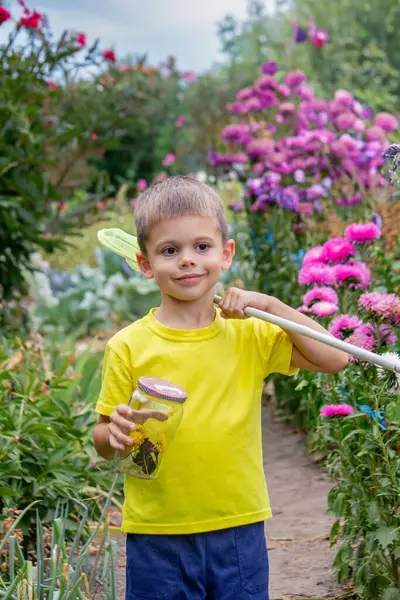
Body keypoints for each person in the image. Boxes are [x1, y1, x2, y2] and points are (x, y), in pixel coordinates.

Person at [93, 175, 348, 600]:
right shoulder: (128, 346)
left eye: (202, 247)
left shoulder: (249, 334)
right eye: (170, 251)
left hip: (238, 528)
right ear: (145, 263)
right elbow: (103, 440)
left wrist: (268, 306)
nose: (187, 260)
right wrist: (114, 435)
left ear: (225, 254)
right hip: (158, 534)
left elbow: (335, 357)